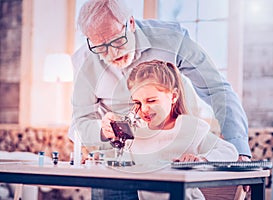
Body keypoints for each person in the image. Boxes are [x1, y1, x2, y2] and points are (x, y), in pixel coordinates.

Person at [68, 0, 251, 198]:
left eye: (117, 41)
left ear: (130, 23)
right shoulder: (84, 61)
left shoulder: (171, 40)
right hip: (116, 169)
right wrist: (102, 131)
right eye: (101, 47)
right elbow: (80, 121)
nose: (112, 54)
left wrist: (240, 151)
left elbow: (216, 89)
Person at [116, 60, 238, 200]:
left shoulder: (190, 129)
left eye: (151, 101)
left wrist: (201, 159)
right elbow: (121, 163)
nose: (144, 109)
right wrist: (100, 156)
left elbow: (229, 152)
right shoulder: (137, 135)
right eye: (137, 102)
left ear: (173, 96)